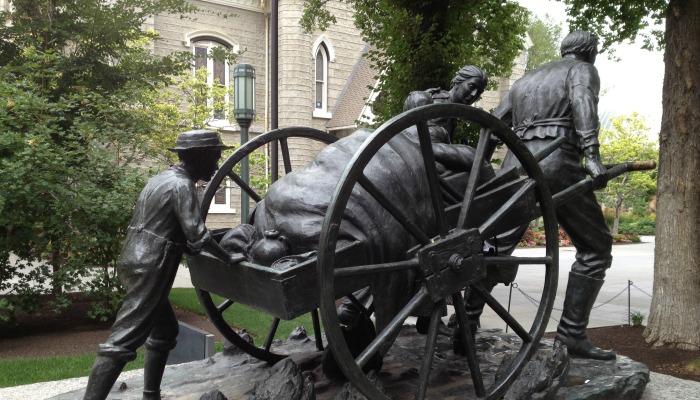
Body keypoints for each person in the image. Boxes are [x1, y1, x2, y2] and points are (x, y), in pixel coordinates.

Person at [475, 30, 615, 360]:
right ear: (590, 52)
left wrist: (478, 168)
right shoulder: (582, 70)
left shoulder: (526, 80)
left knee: (492, 247)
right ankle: (571, 336)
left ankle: (463, 323)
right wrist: (592, 157)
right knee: (597, 247)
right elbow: (583, 103)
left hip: (516, 165)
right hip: (557, 163)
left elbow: (493, 122)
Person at [83, 130, 242, 400]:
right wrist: (228, 258)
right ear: (199, 157)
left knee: (166, 331)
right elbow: (198, 234)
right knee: (122, 340)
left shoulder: (162, 179)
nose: (217, 166)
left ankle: (151, 394)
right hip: (151, 265)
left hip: (134, 260)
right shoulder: (182, 186)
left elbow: (168, 226)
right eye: (214, 158)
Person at [427, 65, 489, 142]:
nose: (474, 94)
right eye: (471, 87)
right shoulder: (440, 103)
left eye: (479, 92)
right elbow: (428, 142)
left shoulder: (451, 109)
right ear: (457, 82)